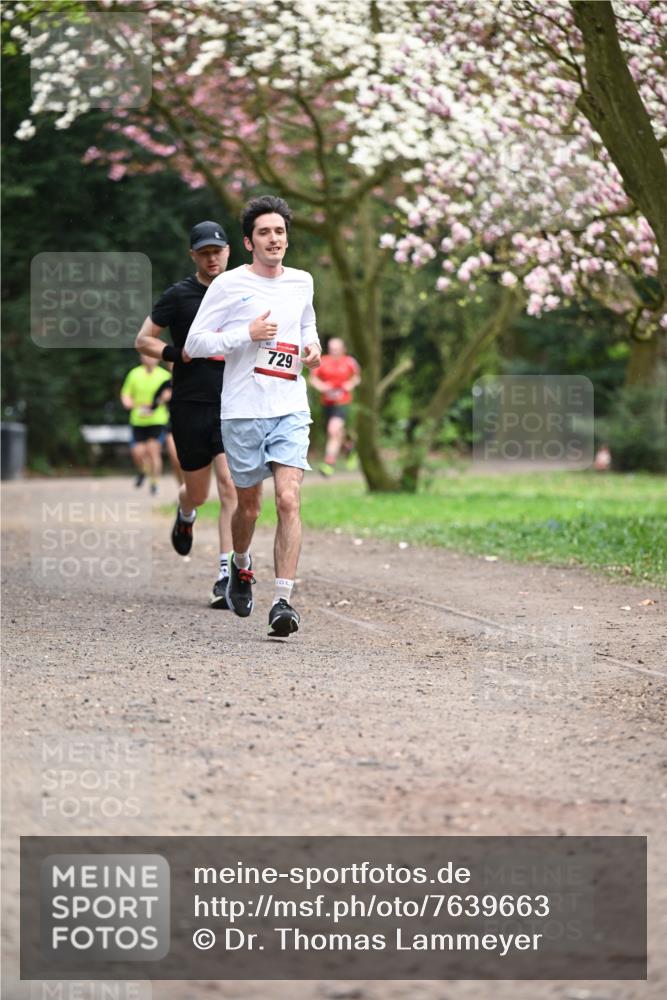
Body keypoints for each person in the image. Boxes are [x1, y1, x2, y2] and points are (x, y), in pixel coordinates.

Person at [185, 195, 322, 637]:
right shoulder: (228, 285)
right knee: (249, 506)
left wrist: (312, 347)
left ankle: (283, 602)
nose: (273, 238)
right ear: (249, 242)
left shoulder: (302, 282)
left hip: (290, 406)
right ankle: (241, 566)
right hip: (243, 411)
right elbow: (195, 343)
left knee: (288, 498)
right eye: (264, 232)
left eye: (279, 231)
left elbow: (306, 326)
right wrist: (247, 333)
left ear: (287, 238)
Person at [134, 221, 237, 608]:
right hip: (190, 403)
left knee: (230, 485)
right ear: (193, 255)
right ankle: (186, 511)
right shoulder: (179, 295)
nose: (212, 259)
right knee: (198, 492)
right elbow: (143, 339)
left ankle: (226, 576)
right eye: (204, 253)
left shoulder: (243, 291)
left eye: (217, 251)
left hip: (233, 403)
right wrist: (178, 354)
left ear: (228, 251)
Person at [120, 353, 171, 495]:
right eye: (146, 356)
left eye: (152, 356)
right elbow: (126, 393)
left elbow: (170, 393)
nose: (149, 359)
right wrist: (127, 402)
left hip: (157, 419)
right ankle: (143, 470)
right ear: (141, 358)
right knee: (138, 453)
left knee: (153, 450)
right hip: (138, 419)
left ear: (157, 358)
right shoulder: (134, 374)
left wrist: (160, 401)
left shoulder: (164, 375)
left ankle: (155, 483)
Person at [309, 337, 360, 476]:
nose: (334, 352)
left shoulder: (349, 362)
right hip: (327, 404)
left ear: (343, 349)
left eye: (337, 349)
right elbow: (313, 379)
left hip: (342, 403)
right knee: (336, 433)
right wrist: (322, 386)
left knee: (333, 430)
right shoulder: (323, 361)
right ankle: (349, 448)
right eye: (332, 349)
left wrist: (350, 384)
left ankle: (329, 463)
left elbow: (357, 377)